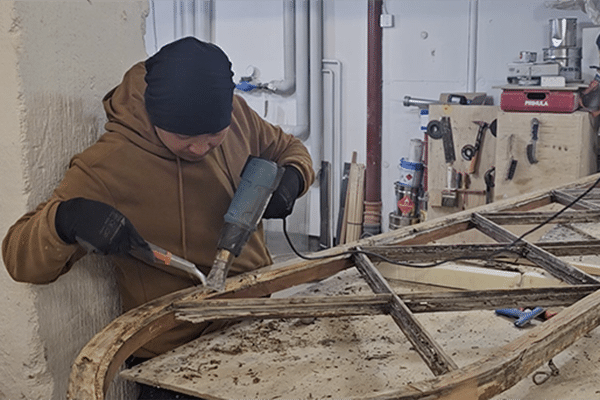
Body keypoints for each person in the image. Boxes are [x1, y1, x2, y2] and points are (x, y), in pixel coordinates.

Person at [2, 37, 314, 399]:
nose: (200, 148)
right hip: (173, 360)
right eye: (184, 137)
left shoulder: (237, 115)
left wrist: (293, 178)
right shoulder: (109, 166)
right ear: (155, 117)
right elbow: (18, 260)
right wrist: (65, 221)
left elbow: (289, 148)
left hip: (256, 322)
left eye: (214, 136)